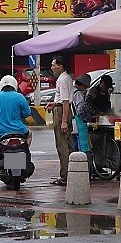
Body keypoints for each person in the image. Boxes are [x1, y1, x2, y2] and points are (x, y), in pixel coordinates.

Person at [0, 75, 32, 190]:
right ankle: (24, 151)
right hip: (19, 131)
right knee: (30, 134)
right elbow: (27, 113)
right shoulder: (20, 97)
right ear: (15, 85)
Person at [48, 56, 73, 187]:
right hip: (61, 110)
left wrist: (63, 120)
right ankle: (71, 173)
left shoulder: (63, 80)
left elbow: (65, 102)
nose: (52, 67)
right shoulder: (66, 78)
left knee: (62, 145)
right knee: (68, 144)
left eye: (53, 65)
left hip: (61, 113)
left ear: (60, 66)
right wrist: (54, 103)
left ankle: (65, 176)